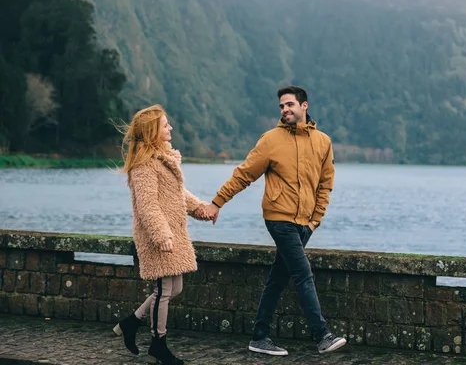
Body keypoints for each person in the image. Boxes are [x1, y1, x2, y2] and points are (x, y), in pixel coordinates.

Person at [203, 86, 347, 356]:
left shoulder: (323, 142)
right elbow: (244, 174)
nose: (285, 110)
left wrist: (315, 221)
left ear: (304, 106)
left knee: (278, 279)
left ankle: (259, 336)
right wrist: (217, 202)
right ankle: (322, 335)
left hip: (305, 224)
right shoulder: (270, 140)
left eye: (290, 104)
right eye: (281, 106)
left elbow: (325, 185)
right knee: (303, 274)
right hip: (278, 218)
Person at [113, 104, 210, 365]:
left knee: (173, 288)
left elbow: (177, 194)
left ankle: (131, 322)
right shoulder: (144, 165)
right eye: (165, 125)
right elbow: (148, 206)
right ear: (152, 131)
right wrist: (161, 234)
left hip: (172, 234)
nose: (171, 128)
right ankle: (158, 344)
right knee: (164, 289)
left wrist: (200, 208)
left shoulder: (163, 159)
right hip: (159, 237)